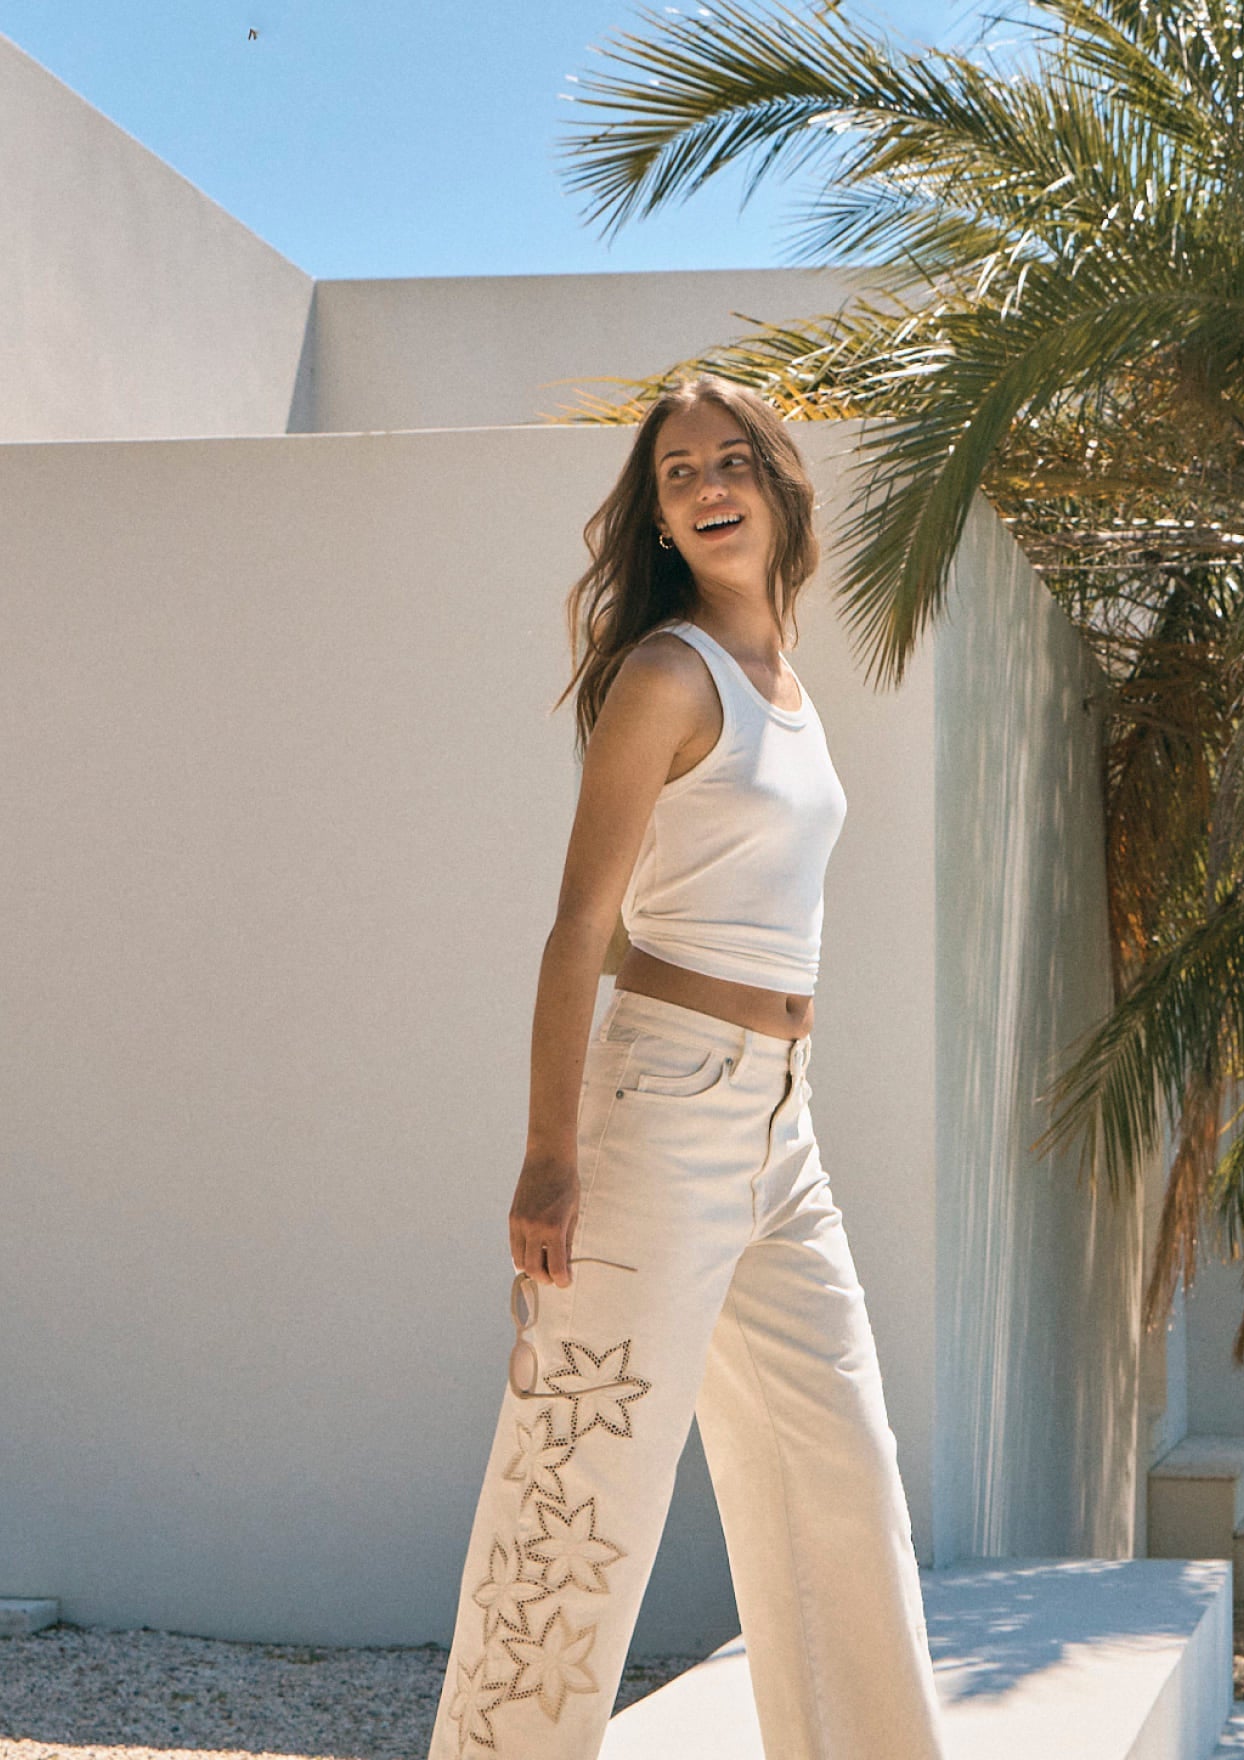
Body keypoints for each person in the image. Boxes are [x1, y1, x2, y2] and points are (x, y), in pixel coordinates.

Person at [426, 376, 948, 1760]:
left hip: (781, 1127)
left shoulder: (786, 682)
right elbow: (579, 927)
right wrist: (550, 1154)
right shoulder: (667, 677)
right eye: (678, 475)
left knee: (840, 1468)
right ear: (660, 519)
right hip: (660, 1109)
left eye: (731, 462)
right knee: (578, 1493)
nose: (709, 487)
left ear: (778, 485)